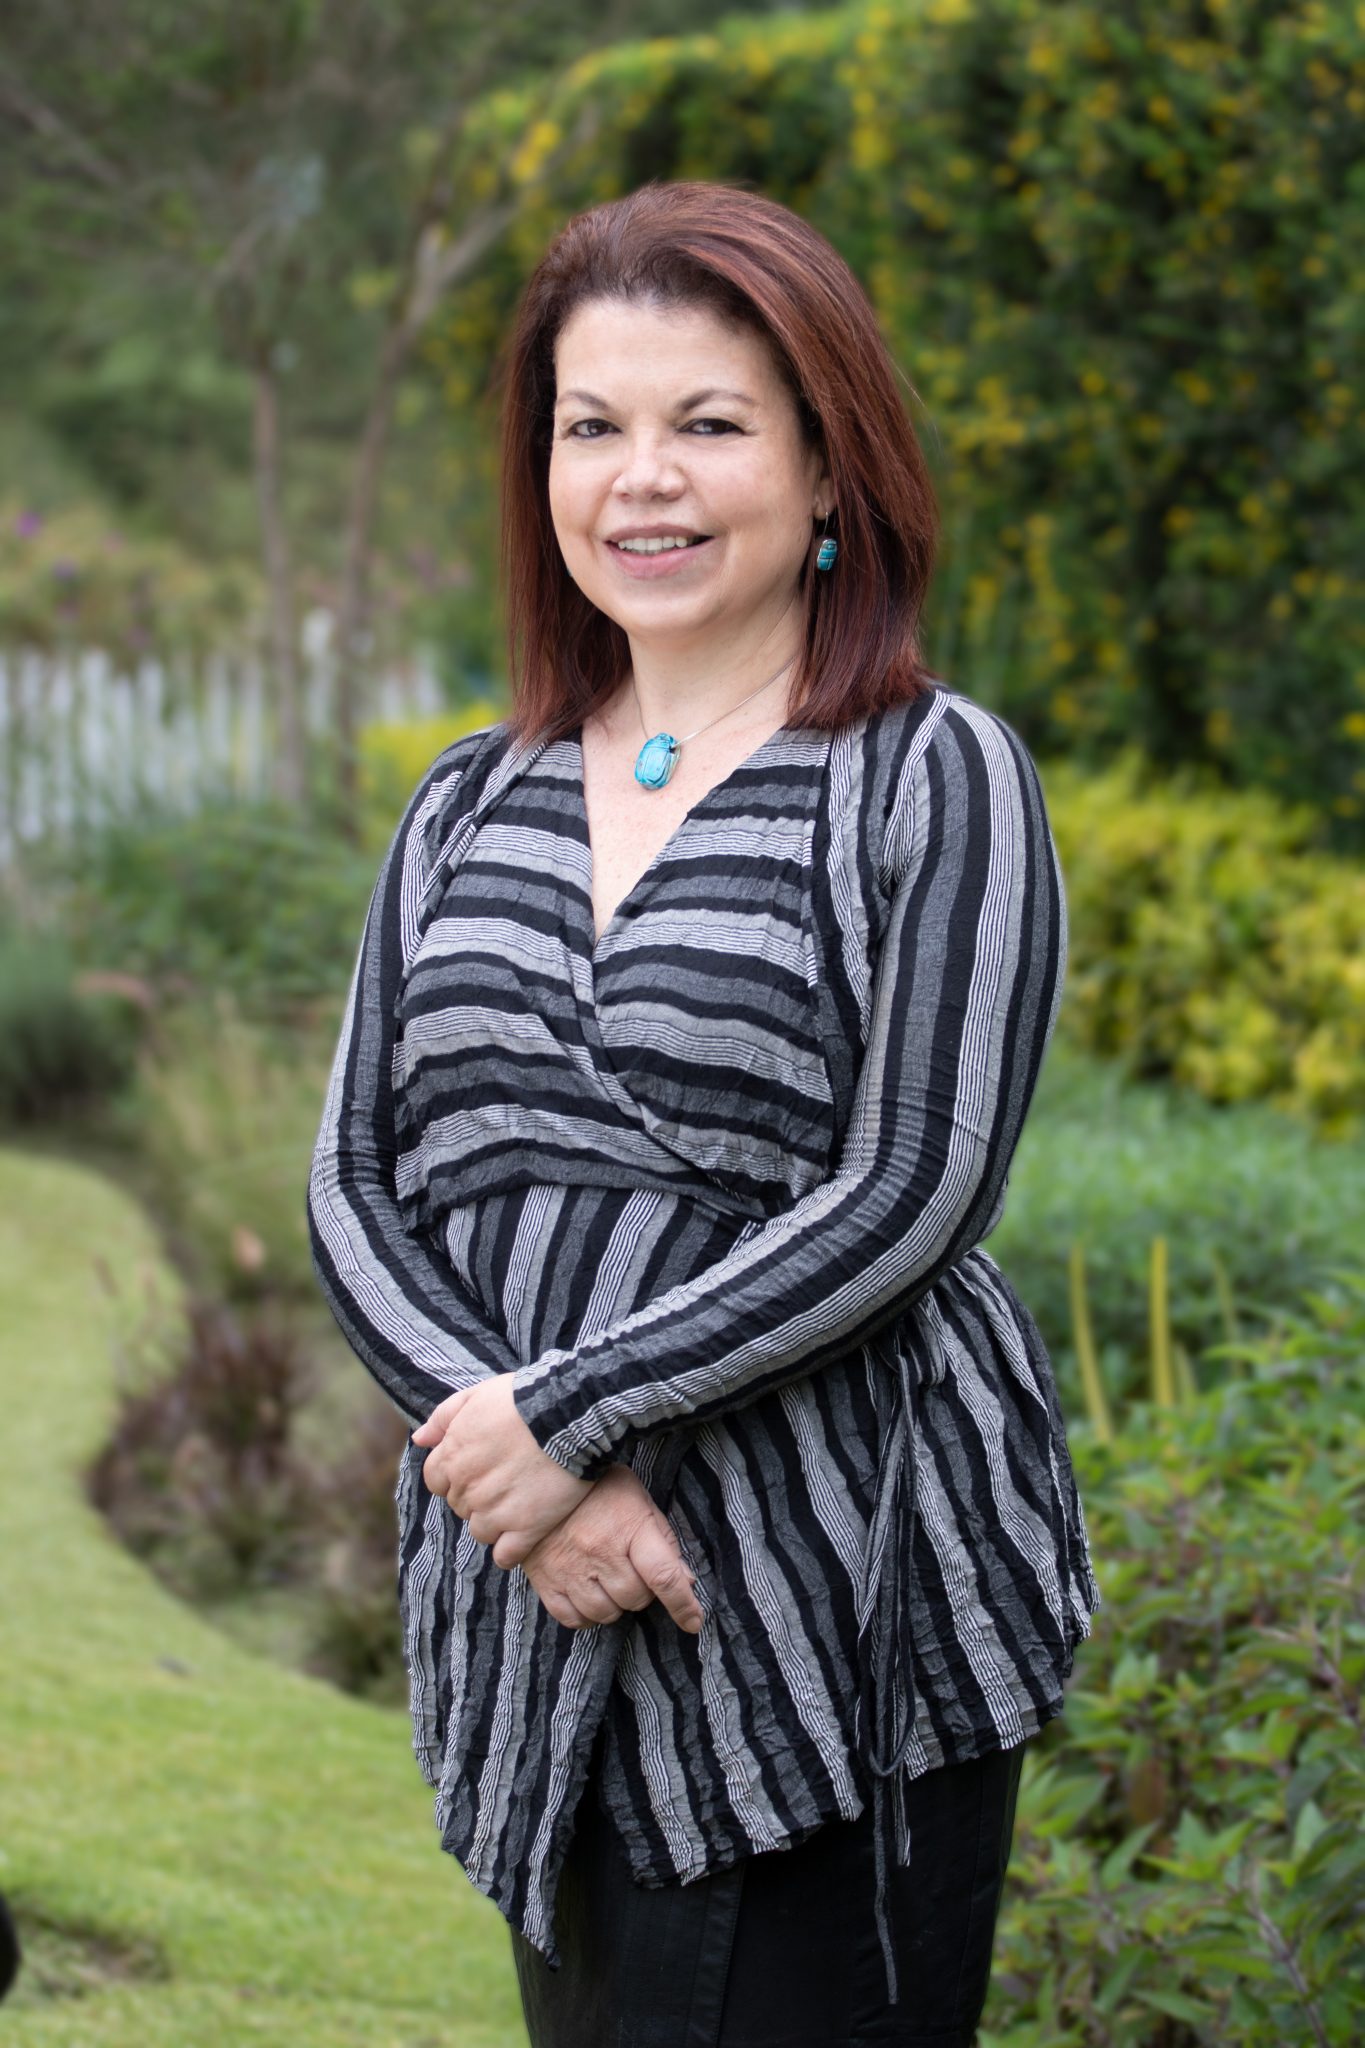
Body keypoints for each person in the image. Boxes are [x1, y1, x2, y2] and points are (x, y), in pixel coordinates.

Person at [308, 179, 1101, 2048]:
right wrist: (522, 1483)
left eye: (710, 424)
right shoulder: (466, 799)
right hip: (534, 1587)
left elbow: (916, 1186)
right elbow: (353, 1180)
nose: (640, 479)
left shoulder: (931, 774)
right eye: (591, 426)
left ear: (829, 466)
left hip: (831, 1589)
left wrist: (571, 1415)